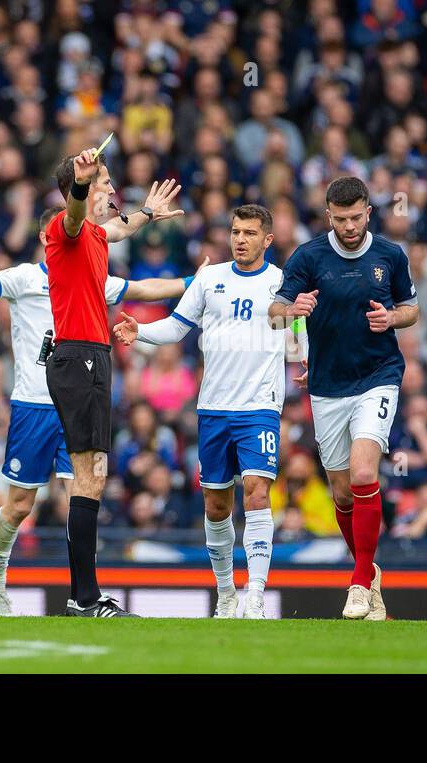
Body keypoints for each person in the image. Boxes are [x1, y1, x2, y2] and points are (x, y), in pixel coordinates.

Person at [0, 207, 193, 615]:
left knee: (79, 495)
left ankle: (85, 594)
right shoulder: (25, 278)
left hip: (74, 403)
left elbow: (143, 289)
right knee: (20, 504)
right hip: (34, 406)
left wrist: (192, 282)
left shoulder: (89, 275)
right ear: (47, 238)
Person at [115, 204, 288, 619]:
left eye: (249, 233)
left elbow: (297, 323)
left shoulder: (282, 280)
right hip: (213, 408)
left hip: (259, 405)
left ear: (267, 239)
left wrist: (303, 359)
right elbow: (177, 326)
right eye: (235, 231)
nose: (240, 239)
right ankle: (226, 593)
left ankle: (257, 595)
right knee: (216, 505)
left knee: (258, 491)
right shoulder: (210, 278)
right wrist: (141, 333)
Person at [269, 177, 419, 620]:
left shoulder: (390, 256)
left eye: (356, 217)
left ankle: (356, 582)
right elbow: (275, 313)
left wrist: (392, 317)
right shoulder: (309, 256)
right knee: (343, 492)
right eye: (341, 219)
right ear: (328, 215)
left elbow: (412, 310)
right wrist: (293, 313)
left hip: (379, 376)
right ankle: (369, 575)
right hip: (327, 385)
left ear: (369, 212)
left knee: (363, 471)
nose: (349, 226)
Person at [44, 145, 183, 617]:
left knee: (93, 479)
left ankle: (84, 594)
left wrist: (148, 212)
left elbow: (120, 227)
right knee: (86, 477)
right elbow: (76, 215)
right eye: (106, 181)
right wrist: (83, 181)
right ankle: (83, 597)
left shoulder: (98, 238)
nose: (111, 187)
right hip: (77, 357)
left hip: (93, 356)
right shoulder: (65, 228)